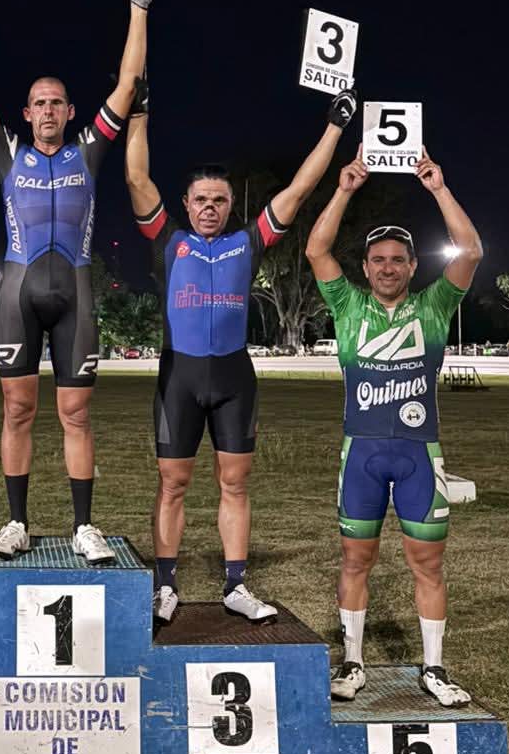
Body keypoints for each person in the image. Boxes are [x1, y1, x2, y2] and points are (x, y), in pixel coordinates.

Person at [0, 0, 157, 564]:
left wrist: (138, 8)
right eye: (40, 103)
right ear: (27, 113)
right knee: (18, 410)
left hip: (75, 294)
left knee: (75, 414)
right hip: (17, 295)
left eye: (58, 102)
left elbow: (128, 83)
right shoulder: (8, 152)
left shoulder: (90, 150)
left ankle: (84, 526)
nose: (49, 110)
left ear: (71, 112)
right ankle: (16, 522)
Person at [125, 85, 357, 623]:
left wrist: (335, 126)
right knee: (173, 484)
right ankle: (165, 586)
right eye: (200, 200)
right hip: (179, 379)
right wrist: (138, 115)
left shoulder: (246, 243)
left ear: (232, 206)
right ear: (186, 204)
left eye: (219, 201)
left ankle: (235, 585)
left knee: (235, 483)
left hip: (234, 380)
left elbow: (300, 189)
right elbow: (137, 178)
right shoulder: (168, 241)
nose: (209, 208)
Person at [305, 146, 482, 707]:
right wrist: (344, 189)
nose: (387, 267)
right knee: (355, 559)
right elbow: (315, 248)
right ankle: (352, 662)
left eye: (397, 260)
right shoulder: (347, 306)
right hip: (360, 455)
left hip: (418, 456)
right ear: (365, 267)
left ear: (412, 266)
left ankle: (434, 669)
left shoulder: (435, 307)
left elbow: (471, 250)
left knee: (427, 564)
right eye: (377, 259)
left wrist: (437, 188)